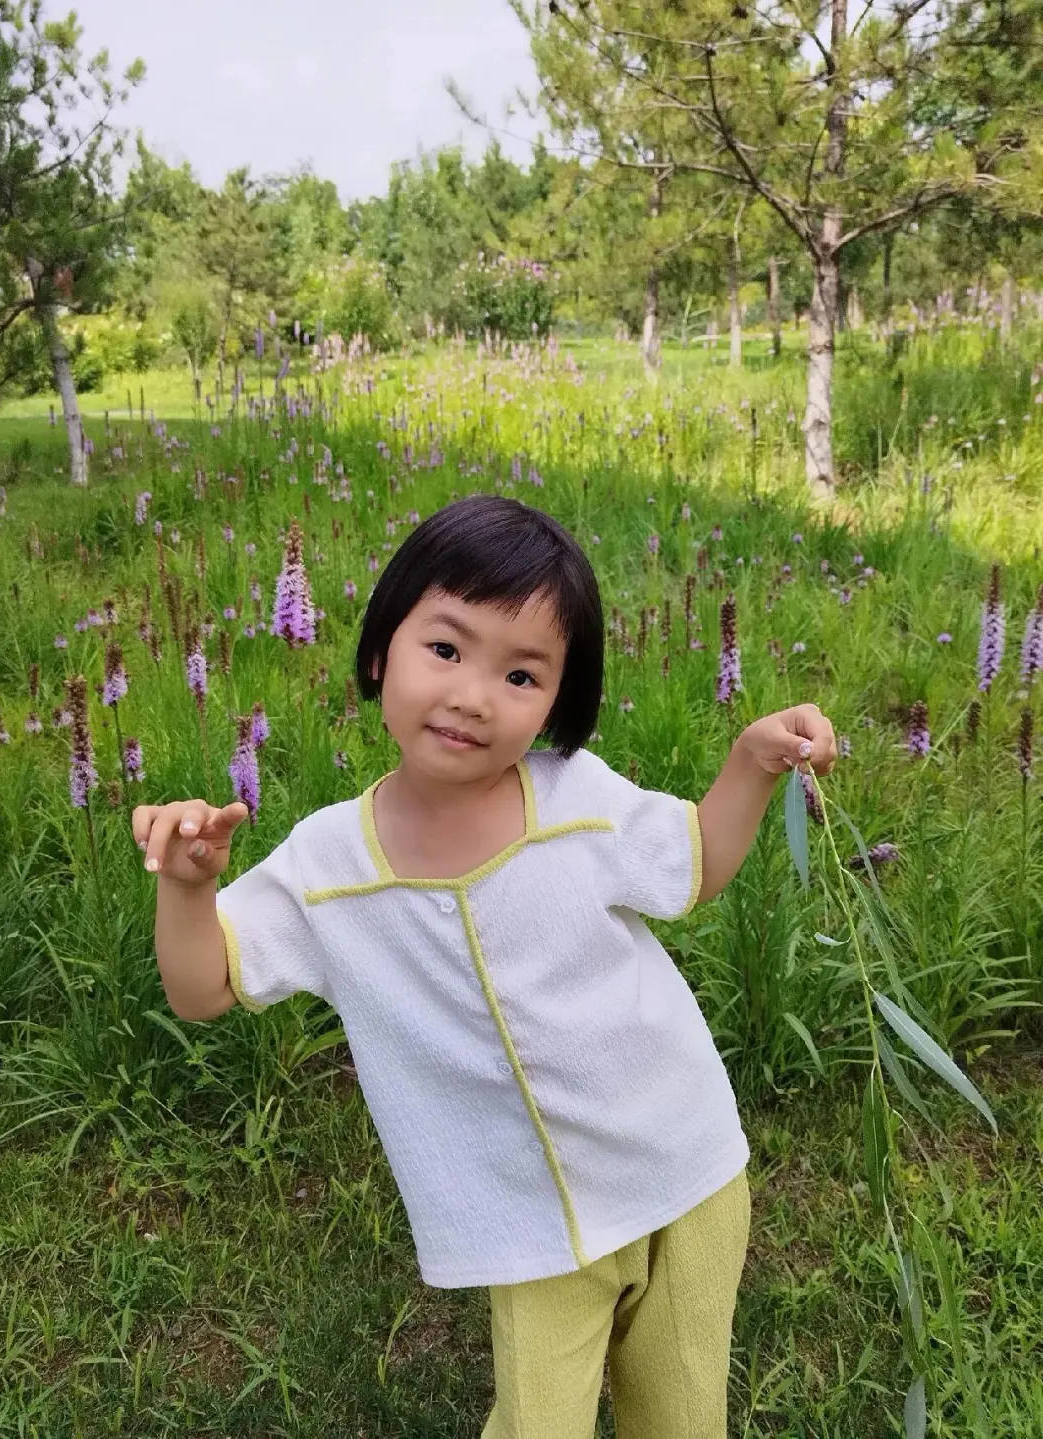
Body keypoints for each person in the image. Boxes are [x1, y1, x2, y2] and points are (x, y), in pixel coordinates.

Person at [133, 494, 837, 1439]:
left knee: (681, 1415)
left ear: (557, 702)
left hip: (689, 1168)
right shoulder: (327, 865)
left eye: (520, 672)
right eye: (447, 649)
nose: (473, 694)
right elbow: (203, 985)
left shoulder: (578, 802)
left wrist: (750, 761)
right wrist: (186, 888)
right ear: (382, 650)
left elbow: (696, 863)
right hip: (529, 1228)